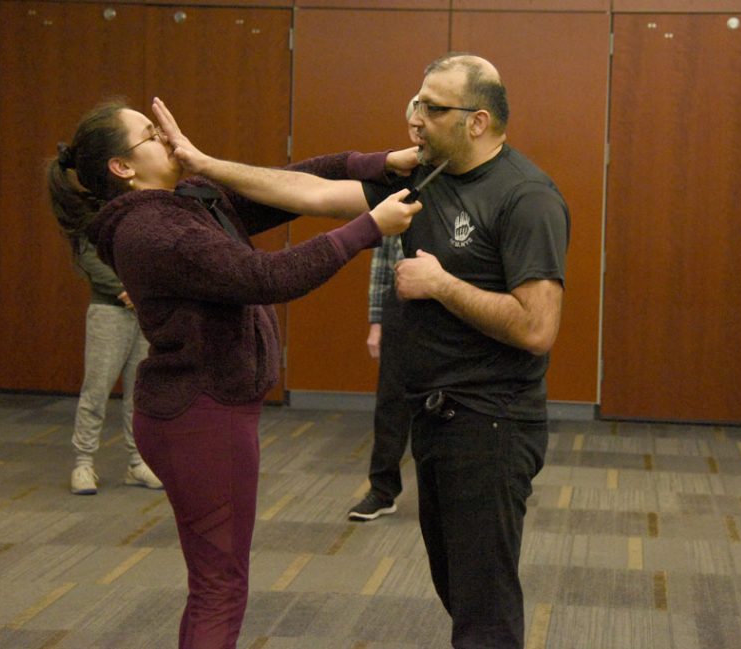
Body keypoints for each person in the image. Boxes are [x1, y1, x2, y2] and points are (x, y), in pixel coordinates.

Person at [48, 97, 420, 649]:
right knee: (220, 586)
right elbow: (267, 277)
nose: (168, 140)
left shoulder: (184, 204)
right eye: (151, 135)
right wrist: (368, 228)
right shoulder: (154, 231)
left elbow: (285, 184)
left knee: (215, 582)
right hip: (200, 418)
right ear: (123, 168)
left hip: (208, 411)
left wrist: (380, 161)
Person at [364, 54, 570, 648]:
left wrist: (442, 286)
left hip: (492, 423)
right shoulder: (430, 176)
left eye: (433, 107)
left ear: (477, 121)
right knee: (459, 588)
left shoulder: (527, 196)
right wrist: (205, 166)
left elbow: (537, 328)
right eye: (416, 103)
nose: (416, 118)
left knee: (483, 611)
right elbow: (312, 190)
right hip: (436, 416)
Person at [348, 96, 417, 522]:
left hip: (452, 306)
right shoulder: (400, 180)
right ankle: (382, 489)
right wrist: (376, 322)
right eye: (413, 123)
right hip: (400, 308)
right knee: (391, 402)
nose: (418, 130)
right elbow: (382, 258)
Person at [64, 236, 160, 495]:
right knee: (96, 390)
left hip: (145, 310)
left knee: (139, 394)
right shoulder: (94, 209)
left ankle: (138, 462)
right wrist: (121, 289)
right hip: (109, 310)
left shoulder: (144, 209)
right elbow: (86, 254)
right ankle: (83, 464)